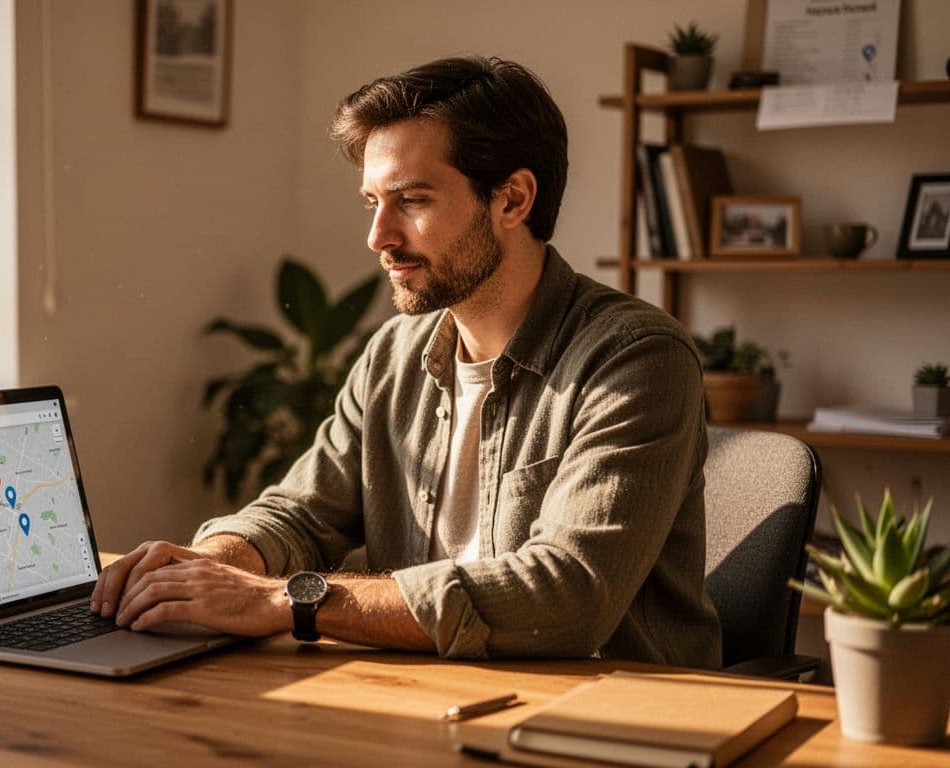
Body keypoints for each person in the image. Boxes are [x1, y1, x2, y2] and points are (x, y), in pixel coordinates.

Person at [91, 55, 721, 668]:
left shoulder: (636, 358)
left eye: (412, 200)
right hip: (420, 695)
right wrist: (210, 567)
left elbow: (567, 594)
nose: (379, 237)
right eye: (373, 202)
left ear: (512, 200)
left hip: (608, 717)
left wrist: (285, 599)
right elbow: (302, 512)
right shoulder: (393, 354)